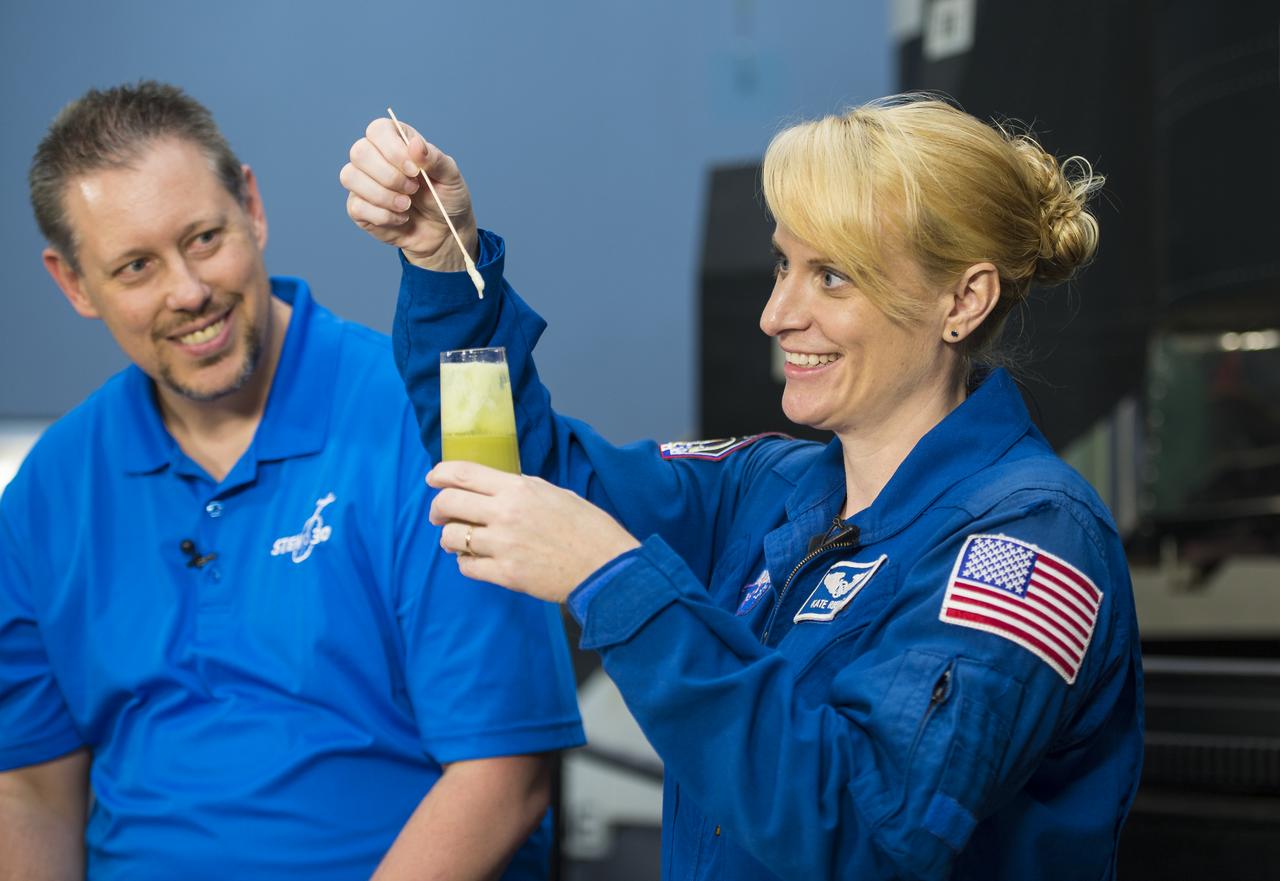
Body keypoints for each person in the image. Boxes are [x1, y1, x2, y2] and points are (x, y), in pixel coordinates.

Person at [341, 94, 1143, 879]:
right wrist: (445, 265)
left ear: (963, 300)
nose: (774, 313)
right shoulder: (770, 485)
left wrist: (615, 582)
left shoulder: (1031, 537)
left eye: (832, 276)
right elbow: (513, 478)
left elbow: (870, 832)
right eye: (784, 263)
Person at [0, 81, 585, 881]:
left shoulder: (428, 421)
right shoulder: (50, 489)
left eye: (204, 238)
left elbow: (505, 775)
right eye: (135, 266)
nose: (187, 292)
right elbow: (31, 790)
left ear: (251, 204)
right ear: (74, 284)